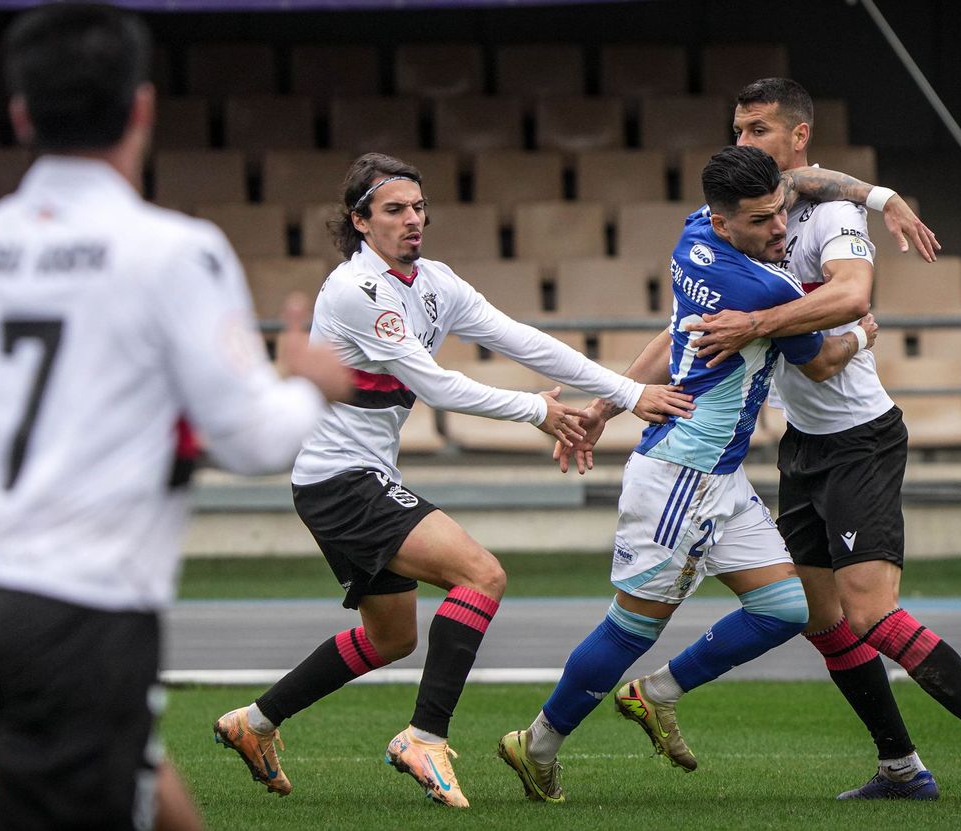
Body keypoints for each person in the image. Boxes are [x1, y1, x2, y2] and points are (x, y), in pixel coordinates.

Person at [0, 4, 350, 828]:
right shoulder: (173, 250)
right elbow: (249, 436)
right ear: (143, 108)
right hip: (81, 613)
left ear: (21, 112)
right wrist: (307, 384)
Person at [211, 151, 696, 809]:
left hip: (355, 477)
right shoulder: (356, 290)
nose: (413, 219)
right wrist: (540, 411)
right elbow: (434, 384)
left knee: (392, 636)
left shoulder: (433, 280)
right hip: (340, 481)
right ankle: (424, 735)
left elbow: (522, 340)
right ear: (360, 221)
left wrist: (628, 391)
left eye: (417, 207)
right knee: (482, 574)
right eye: (394, 210)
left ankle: (255, 722)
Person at [497, 145, 878, 803]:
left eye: (780, 213)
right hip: (681, 476)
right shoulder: (766, 287)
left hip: (718, 477)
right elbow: (822, 359)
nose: (780, 231)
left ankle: (657, 692)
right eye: (762, 222)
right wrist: (865, 332)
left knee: (787, 606)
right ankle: (536, 745)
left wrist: (604, 404)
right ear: (726, 222)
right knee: (631, 626)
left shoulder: (693, 232)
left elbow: (673, 330)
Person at [692, 77, 961, 807]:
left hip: (860, 438)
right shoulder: (753, 208)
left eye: (756, 130)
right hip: (803, 442)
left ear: (798, 134)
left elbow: (851, 296)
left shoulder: (829, 213)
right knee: (819, 616)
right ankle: (901, 767)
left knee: (871, 613)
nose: (741, 142)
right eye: (737, 130)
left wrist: (754, 324)